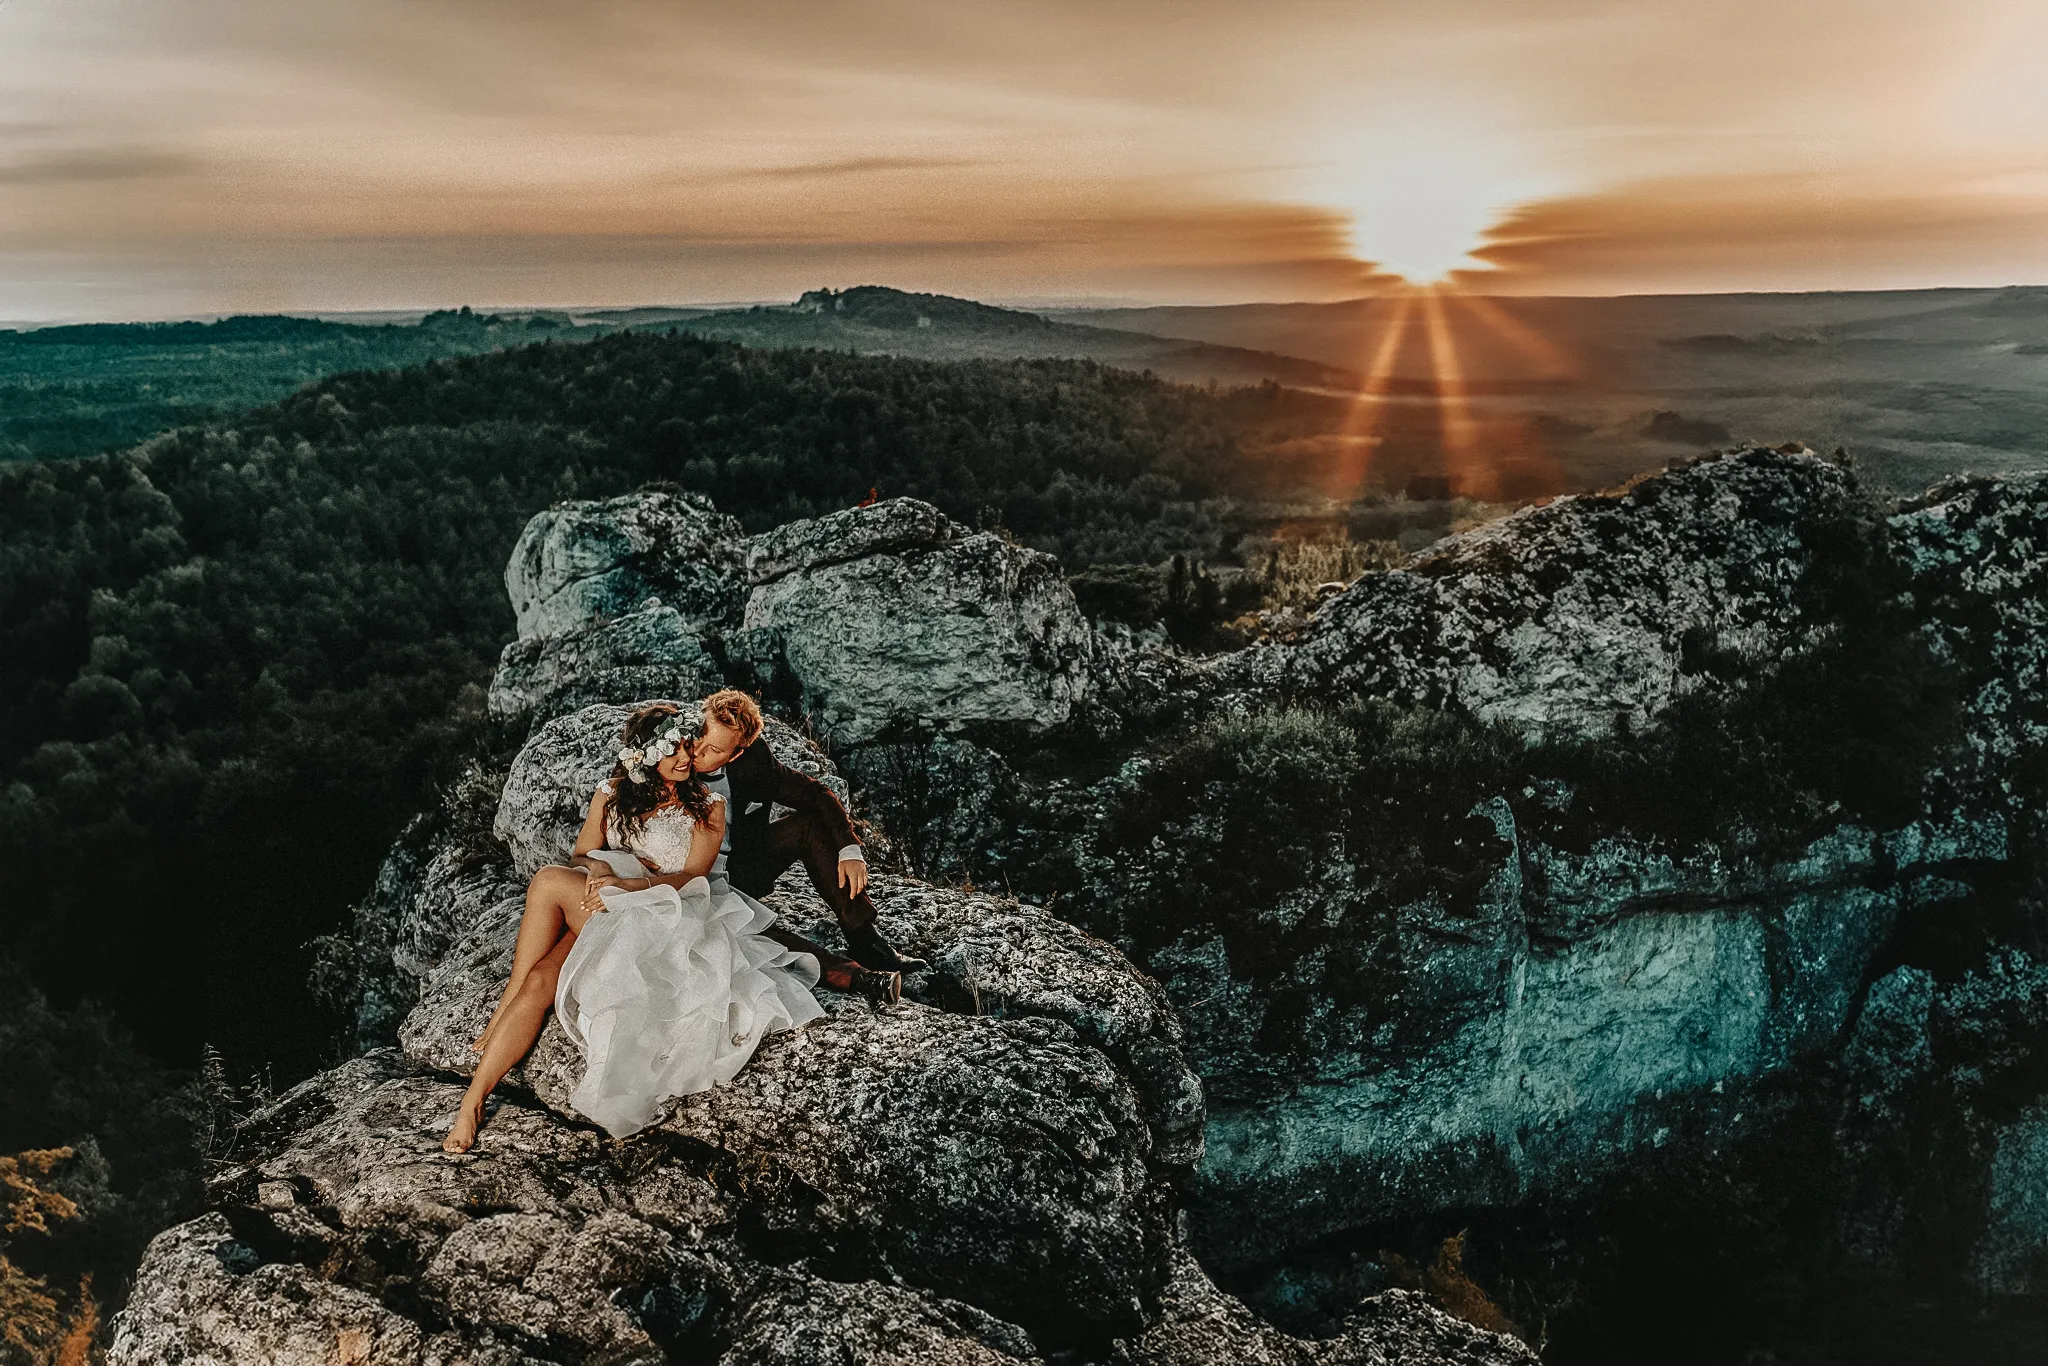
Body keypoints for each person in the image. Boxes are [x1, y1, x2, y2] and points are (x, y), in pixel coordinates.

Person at [444, 704, 900, 1152]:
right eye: (680, 746)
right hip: (608, 902)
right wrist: (602, 871)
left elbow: (694, 877)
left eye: (696, 748)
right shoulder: (615, 791)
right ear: (646, 755)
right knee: (541, 976)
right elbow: (582, 853)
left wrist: (629, 883)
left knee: (549, 886)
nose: (690, 755)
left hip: (669, 902)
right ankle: (473, 1101)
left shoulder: (709, 803)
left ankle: (861, 955)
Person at [690, 689, 929, 976]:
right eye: (699, 735)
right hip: (693, 878)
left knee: (809, 826)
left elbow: (816, 794)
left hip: (741, 869)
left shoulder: (753, 762)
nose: (698, 751)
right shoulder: (673, 756)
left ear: (737, 752)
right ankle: (842, 971)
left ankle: (865, 941)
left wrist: (849, 848)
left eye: (715, 750)